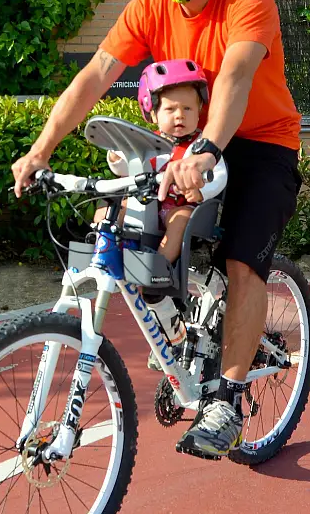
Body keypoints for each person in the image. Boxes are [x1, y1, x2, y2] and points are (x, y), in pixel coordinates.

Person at [12, 0, 302, 459]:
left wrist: (209, 149)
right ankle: (180, 334)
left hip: (259, 143)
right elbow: (94, 76)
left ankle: (227, 396)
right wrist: (41, 148)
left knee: (244, 265)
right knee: (127, 223)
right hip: (190, 142)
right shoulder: (149, 6)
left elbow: (235, 78)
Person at [95, 59, 226, 371]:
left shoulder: (202, 146)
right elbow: (132, 169)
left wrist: (202, 191)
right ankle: (104, 243)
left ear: (200, 112)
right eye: (170, 110)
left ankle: (160, 267)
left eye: (188, 109)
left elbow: (219, 175)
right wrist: (118, 158)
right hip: (151, 207)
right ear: (152, 113)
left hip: (186, 208)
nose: (179, 116)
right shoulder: (149, 144)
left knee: (179, 219)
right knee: (113, 206)